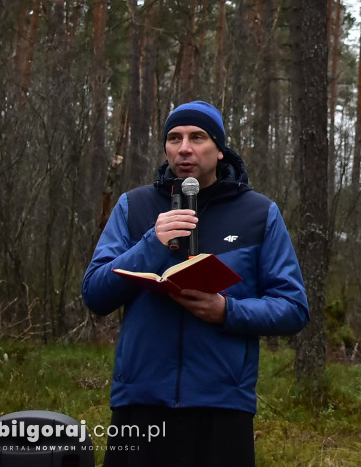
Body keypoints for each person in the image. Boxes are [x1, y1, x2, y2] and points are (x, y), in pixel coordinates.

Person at [82, 100, 310, 465]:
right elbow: (94, 294)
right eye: (174, 138)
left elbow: (293, 308)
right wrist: (150, 244)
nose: (184, 147)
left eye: (197, 137)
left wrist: (227, 311)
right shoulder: (134, 206)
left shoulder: (258, 213)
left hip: (220, 404)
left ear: (219, 150)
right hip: (140, 401)